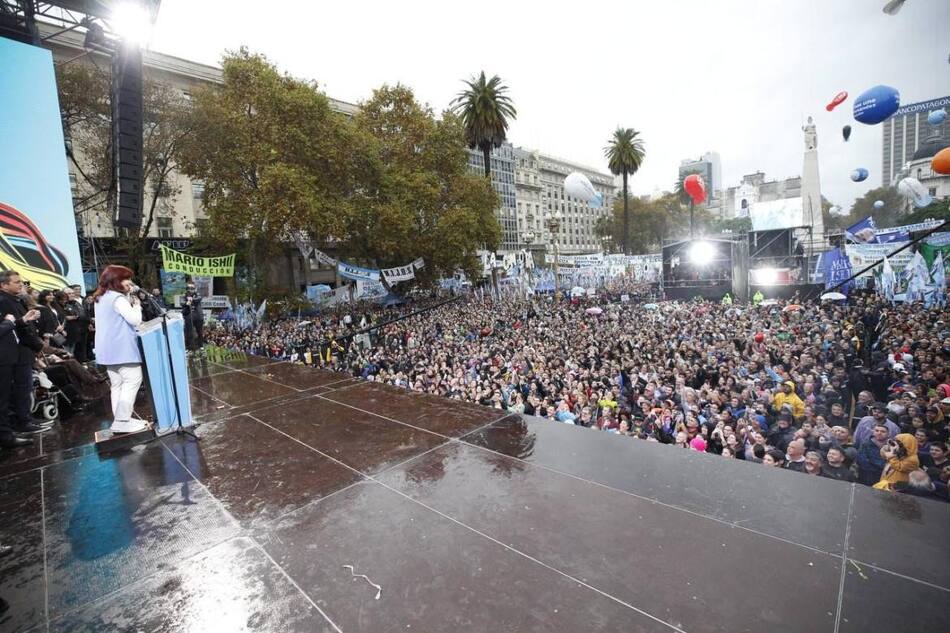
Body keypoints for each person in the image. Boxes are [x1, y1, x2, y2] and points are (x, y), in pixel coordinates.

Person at [93, 265, 148, 434]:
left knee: (117, 385)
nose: (130, 283)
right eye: (126, 279)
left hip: (107, 349)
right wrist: (137, 305)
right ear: (116, 281)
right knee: (132, 381)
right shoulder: (117, 299)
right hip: (122, 348)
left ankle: (120, 420)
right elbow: (135, 320)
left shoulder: (101, 298)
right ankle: (122, 421)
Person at [0, 270, 52, 445]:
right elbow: (11, 327)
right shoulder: (4, 301)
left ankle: (20, 424)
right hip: (10, 354)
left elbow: (17, 324)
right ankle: (15, 428)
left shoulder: (15, 300)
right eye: (16, 282)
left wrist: (23, 320)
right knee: (11, 394)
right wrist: (13, 322)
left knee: (19, 390)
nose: (20, 284)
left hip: (16, 353)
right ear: (4, 285)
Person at [181, 282, 204, 351]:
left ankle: (201, 346)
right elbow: (182, 303)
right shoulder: (184, 295)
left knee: (199, 332)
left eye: (192, 288)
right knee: (189, 332)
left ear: (194, 289)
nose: (190, 290)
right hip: (189, 316)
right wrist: (186, 303)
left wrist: (191, 299)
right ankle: (190, 348)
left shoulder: (197, 294)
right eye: (188, 288)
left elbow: (199, 298)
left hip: (198, 316)